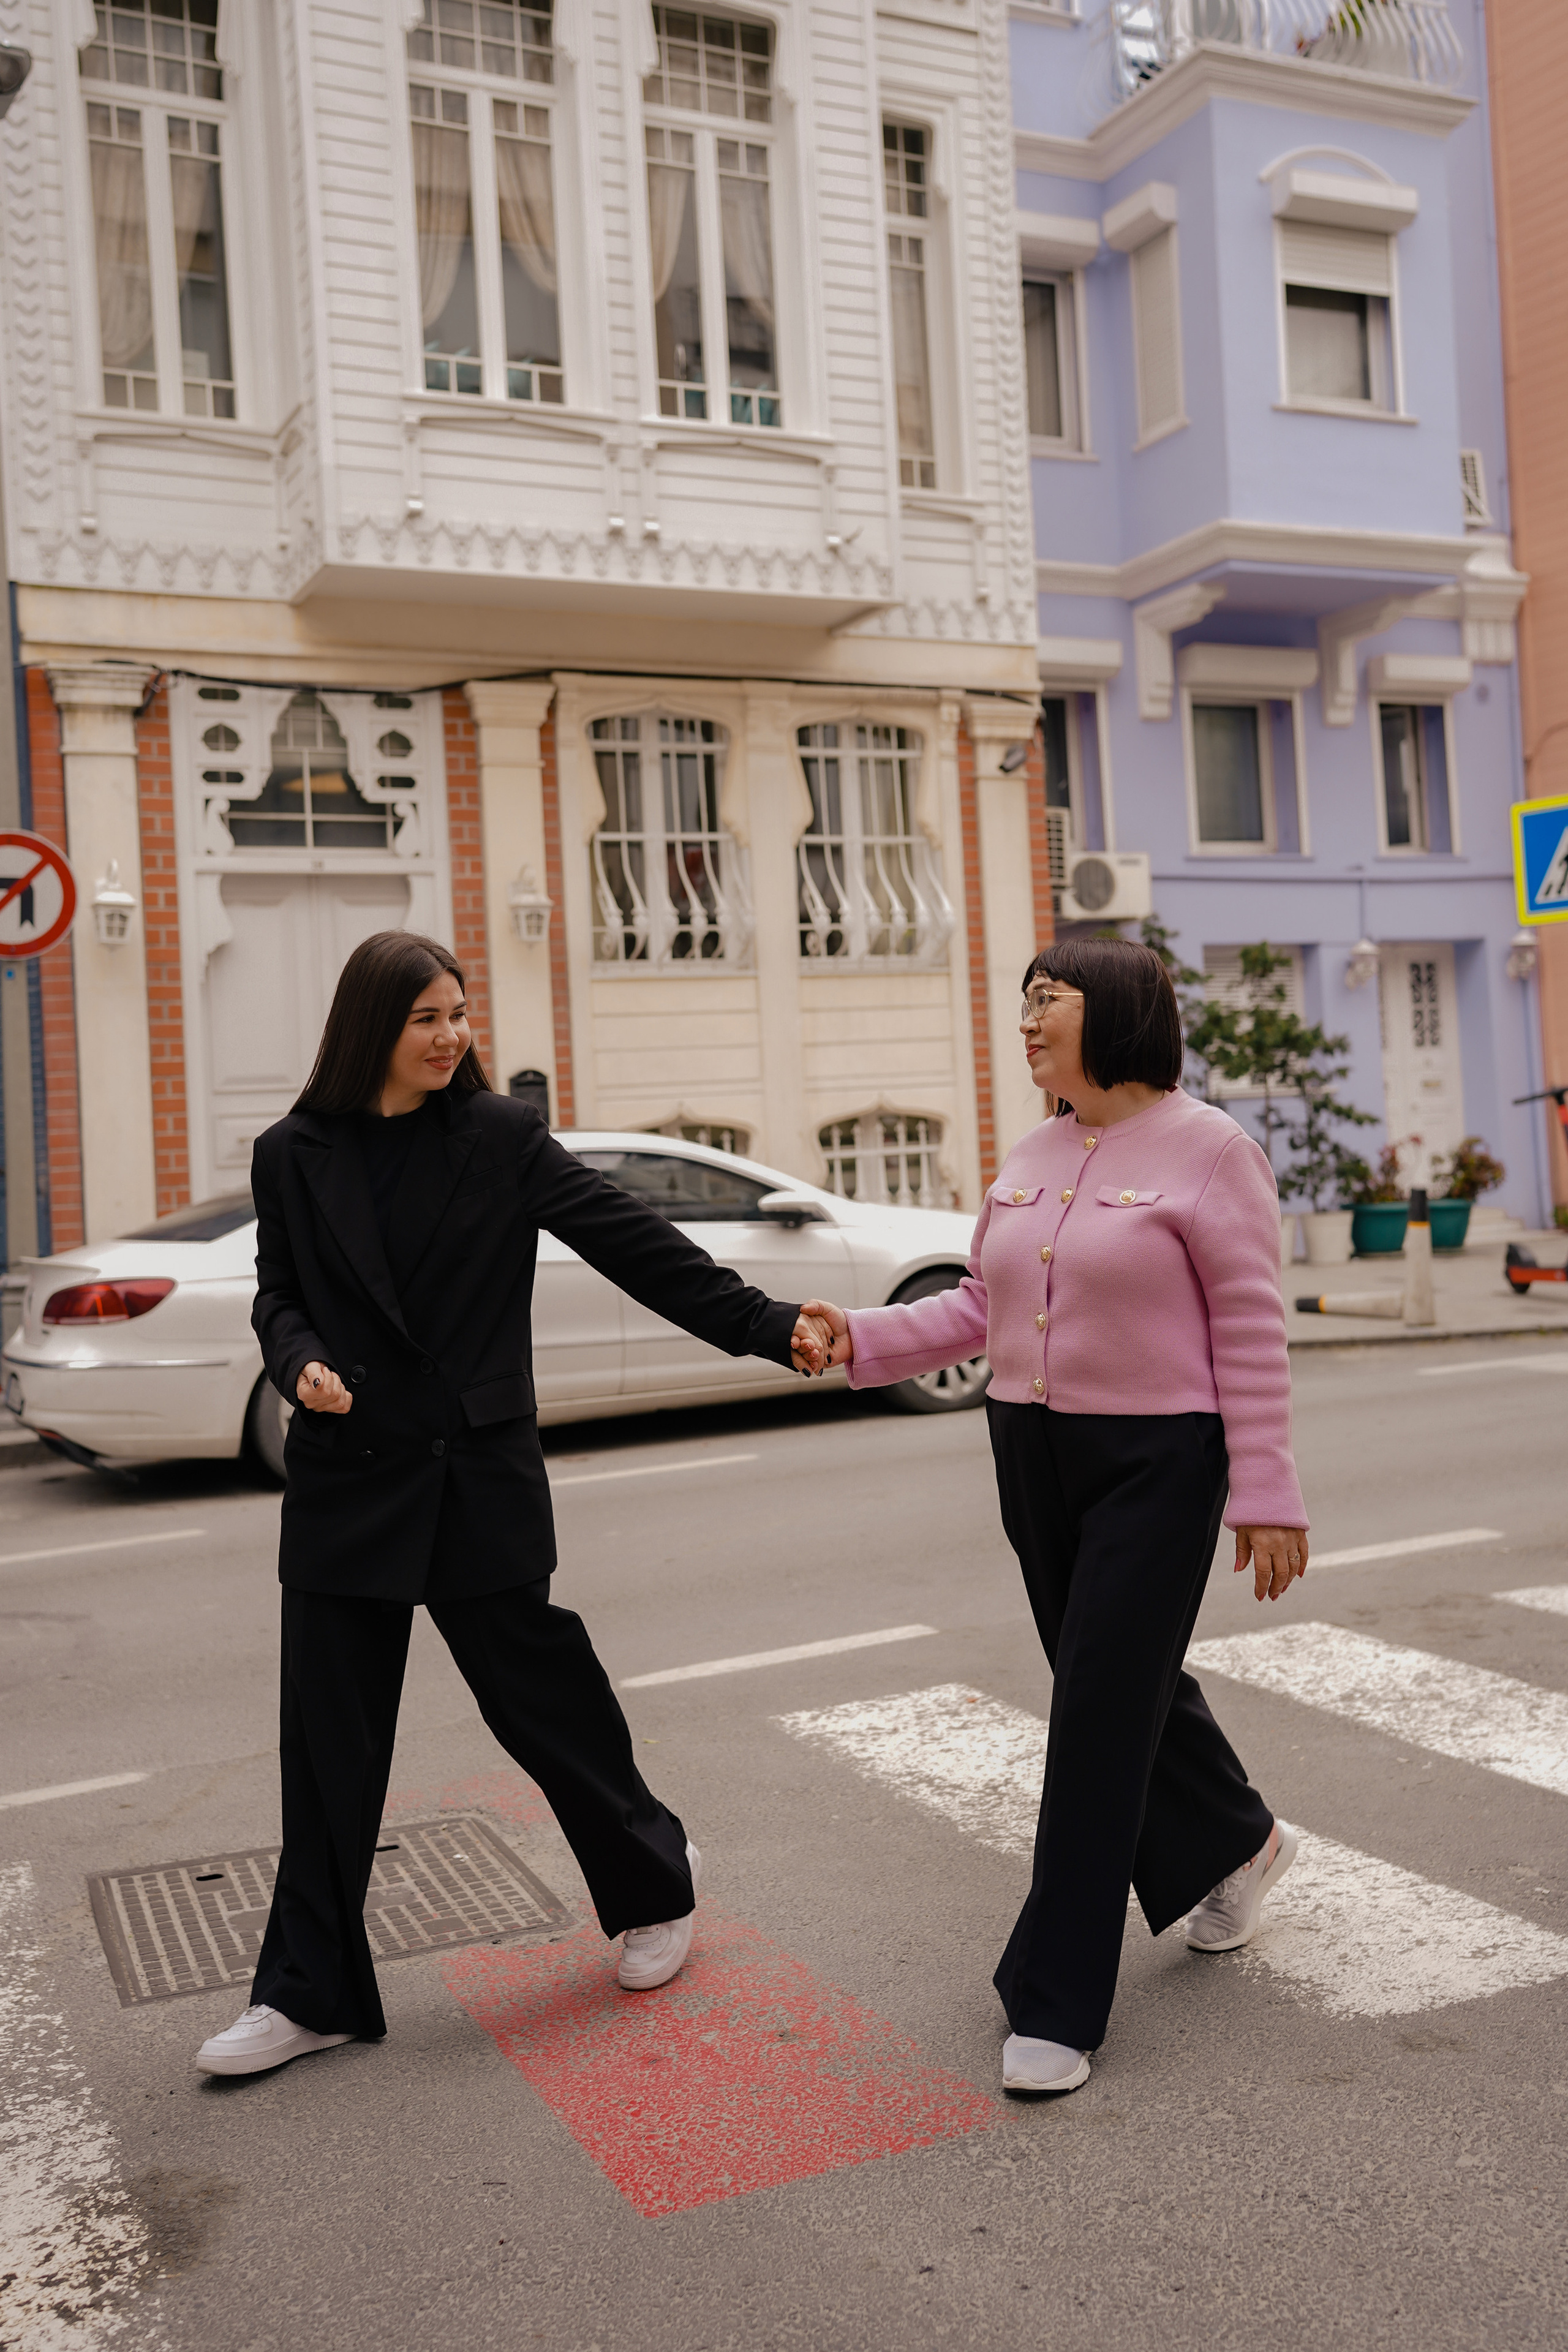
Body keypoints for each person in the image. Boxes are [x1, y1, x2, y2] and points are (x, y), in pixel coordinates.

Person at [196, 932, 828, 2078]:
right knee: (328, 1747)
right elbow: (278, 1295)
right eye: (427, 1018)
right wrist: (297, 1366)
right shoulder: (293, 1152)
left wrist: (767, 1323)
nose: (452, 1037)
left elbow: (637, 1245)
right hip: (347, 1478)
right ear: (369, 1029)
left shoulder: (498, 1138)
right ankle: (309, 1992)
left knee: (545, 1705)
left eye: (459, 1014)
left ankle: (652, 1889)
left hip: (470, 1470)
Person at [801, 937, 1309, 2100]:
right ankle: (1243, 1841)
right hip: (1031, 1452)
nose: (1027, 1022)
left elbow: (1252, 1332)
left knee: (1093, 1714)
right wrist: (861, 1338)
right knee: (1117, 1681)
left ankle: (1057, 1997)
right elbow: (985, 1302)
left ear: (1118, 1010)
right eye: (1023, 1003)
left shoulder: (1214, 1152)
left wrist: (1268, 1494)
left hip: (1157, 1462)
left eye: (1050, 1001)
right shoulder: (1034, 1149)